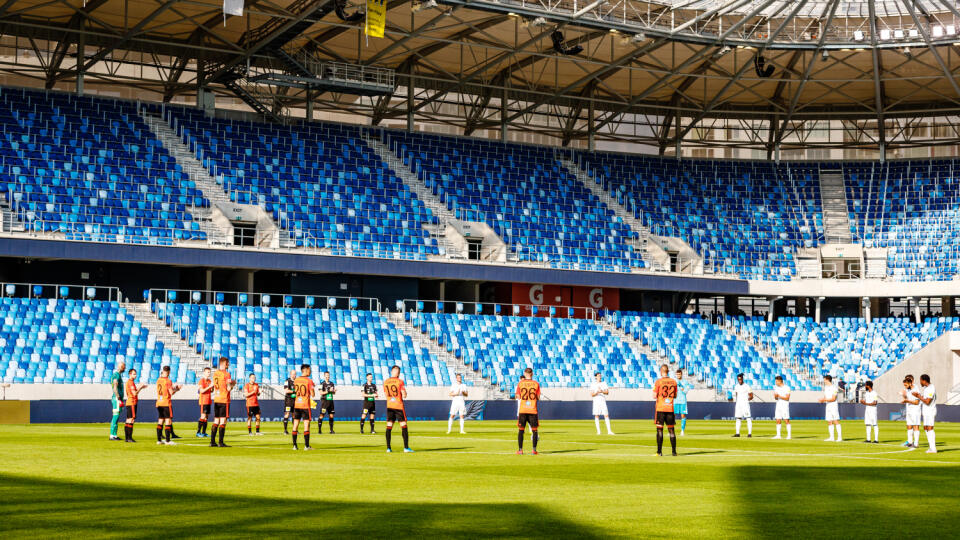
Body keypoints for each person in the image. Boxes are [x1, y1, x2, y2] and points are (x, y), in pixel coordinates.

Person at [383, 365, 413, 453]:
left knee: (389, 426)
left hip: (389, 406)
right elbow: (404, 394)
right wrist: (405, 394)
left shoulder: (386, 382)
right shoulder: (400, 381)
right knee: (403, 426)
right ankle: (406, 448)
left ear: (391, 372)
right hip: (398, 406)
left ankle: (388, 448)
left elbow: (386, 394)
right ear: (398, 373)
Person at [210, 356, 236, 448]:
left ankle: (212, 442)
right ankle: (221, 442)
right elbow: (228, 388)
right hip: (224, 399)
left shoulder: (215, 373)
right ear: (224, 363)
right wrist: (233, 384)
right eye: (227, 363)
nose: (228, 365)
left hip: (216, 399)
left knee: (216, 420)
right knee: (223, 421)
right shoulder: (226, 374)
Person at [653, 365, 678, 456]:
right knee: (671, 430)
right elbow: (675, 395)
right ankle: (674, 452)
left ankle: (659, 452)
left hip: (661, 408)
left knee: (660, 430)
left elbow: (654, 396)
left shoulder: (658, 382)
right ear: (668, 371)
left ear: (661, 371)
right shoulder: (674, 382)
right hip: (670, 408)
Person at [515, 367, 541, 455]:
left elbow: (518, 397)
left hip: (523, 409)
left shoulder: (520, 383)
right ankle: (534, 450)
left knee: (521, 430)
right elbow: (538, 397)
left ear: (524, 374)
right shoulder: (536, 384)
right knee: (534, 430)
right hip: (532, 410)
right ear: (532, 374)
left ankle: (520, 450)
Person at [155, 365, 182, 445]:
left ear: (163, 371)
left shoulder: (158, 380)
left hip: (159, 402)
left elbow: (164, 389)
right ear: (169, 372)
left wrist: (173, 387)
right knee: (168, 420)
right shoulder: (168, 380)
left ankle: (159, 440)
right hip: (166, 403)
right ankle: (167, 441)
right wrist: (177, 389)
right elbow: (171, 392)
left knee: (160, 420)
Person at [292, 364, 315, 450]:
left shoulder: (296, 380)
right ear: (305, 370)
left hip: (297, 404)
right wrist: (312, 388)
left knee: (295, 425)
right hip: (305, 405)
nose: (310, 371)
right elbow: (312, 394)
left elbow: (295, 391)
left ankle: (294, 446)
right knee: (306, 425)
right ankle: (306, 446)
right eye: (309, 370)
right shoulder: (309, 381)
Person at [915, 374, 937, 454]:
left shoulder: (931, 388)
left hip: (930, 411)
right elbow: (924, 399)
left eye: (921, 380)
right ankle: (931, 447)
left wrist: (918, 396)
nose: (920, 382)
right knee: (926, 428)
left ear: (924, 381)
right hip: (926, 411)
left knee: (930, 428)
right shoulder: (926, 388)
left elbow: (928, 401)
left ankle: (933, 448)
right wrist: (918, 396)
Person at [123, 368, 146, 443]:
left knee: (128, 419)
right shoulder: (130, 382)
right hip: (132, 402)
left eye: (135, 374)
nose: (135, 375)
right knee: (131, 419)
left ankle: (127, 438)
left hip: (130, 402)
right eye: (133, 374)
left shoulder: (130, 382)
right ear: (130, 374)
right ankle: (129, 438)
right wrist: (140, 387)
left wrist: (140, 387)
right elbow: (134, 393)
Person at [818, 375, 842, 442]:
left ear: (827, 379)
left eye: (824, 379)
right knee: (829, 421)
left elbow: (833, 399)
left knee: (835, 420)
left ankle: (839, 437)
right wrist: (823, 400)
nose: (824, 381)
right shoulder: (825, 387)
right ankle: (831, 437)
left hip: (833, 406)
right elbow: (825, 397)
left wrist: (824, 400)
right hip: (828, 405)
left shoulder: (834, 388)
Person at [901, 375, 921, 449]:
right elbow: (907, 399)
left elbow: (916, 402)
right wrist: (904, 396)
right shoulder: (908, 390)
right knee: (909, 426)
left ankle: (916, 443)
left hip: (915, 411)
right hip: (909, 410)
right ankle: (910, 442)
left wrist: (907, 400)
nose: (905, 387)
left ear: (910, 383)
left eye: (906, 385)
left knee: (915, 426)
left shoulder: (916, 390)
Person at [730, 373, 753, 437]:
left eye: (740, 379)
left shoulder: (747, 386)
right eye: (738, 379)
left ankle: (749, 433)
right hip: (738, 404)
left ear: (742, 379)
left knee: (748, 418)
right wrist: (735, 400)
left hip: (745, 404)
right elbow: (736, 394)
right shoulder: (736, 386)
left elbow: (751, 395)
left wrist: (747, 399)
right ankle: (737, 433)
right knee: (738, 418)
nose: (739, 380)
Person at [109, 361, 126, 441]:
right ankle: (112, 435)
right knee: (115, 416)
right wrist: (118, 397)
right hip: (116, 399)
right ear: (121, 367)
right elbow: (115, 386)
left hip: (118, 398)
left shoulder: (118, 375)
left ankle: (114, 435)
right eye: (124, 367)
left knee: (117, 416)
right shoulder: (116, 375)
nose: (124, 368)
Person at [772, 375, 791, 440]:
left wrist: (779, 396)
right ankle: (778, 435)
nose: (776, 383)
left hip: (784, 406)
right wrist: (775, 396)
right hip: (778, 405)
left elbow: (787, 398)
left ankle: (789, 435)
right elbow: (776, 398)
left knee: (786, 420)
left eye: (776, 381)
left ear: (780, 381)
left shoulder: (787, 388)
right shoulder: (776, 388)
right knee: (778, 420)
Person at [196, 367, 213, 438]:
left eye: (209, 372)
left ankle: (204, 432)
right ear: (204, 372)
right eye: (207, 372)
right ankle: (198, 432)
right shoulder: (201, 381)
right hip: (203, 401)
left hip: (208, 400)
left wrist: (212, 388)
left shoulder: (209, 381)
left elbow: (211, 391)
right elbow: (202, 391)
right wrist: (210, 387)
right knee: (203, 416)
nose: (209, 373)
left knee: (206, 417)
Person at [674, 369, 692, 436]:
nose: (678, 375)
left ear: (681, 374)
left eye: (679, 374)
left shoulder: (685, 382)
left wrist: (681, 386)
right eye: (677, 374)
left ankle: (682, 431)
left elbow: (685, 391)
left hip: (682, 401)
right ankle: (671, 430)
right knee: (672, 416)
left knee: (683, 415)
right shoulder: (674, 381)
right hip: (675, 400)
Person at [283, 370, 297, 434]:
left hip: (295, 401)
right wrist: (294, 391)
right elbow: (286, 390)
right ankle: (285, 430)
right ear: (290, 374)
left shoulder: (297, 381)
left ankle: (295, 430)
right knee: (287, 414)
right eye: (293, 374)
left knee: (294, 415)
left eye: (295, 374)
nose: (294, 375)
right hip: (288, 400)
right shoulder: (287, 381)